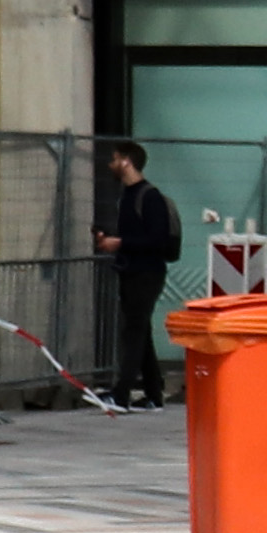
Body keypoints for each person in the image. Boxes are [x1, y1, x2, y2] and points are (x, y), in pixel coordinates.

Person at [91, 141, 181, 411]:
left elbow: (156, 239)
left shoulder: (148, 196)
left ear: (127, 161)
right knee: (140, 331)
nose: (110, 164)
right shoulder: (127, 196)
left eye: (114, 159)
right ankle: (154, 393)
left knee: (133, 331)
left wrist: (119, 243)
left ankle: (121, 394)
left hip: (147, 273)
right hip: (131, 271)